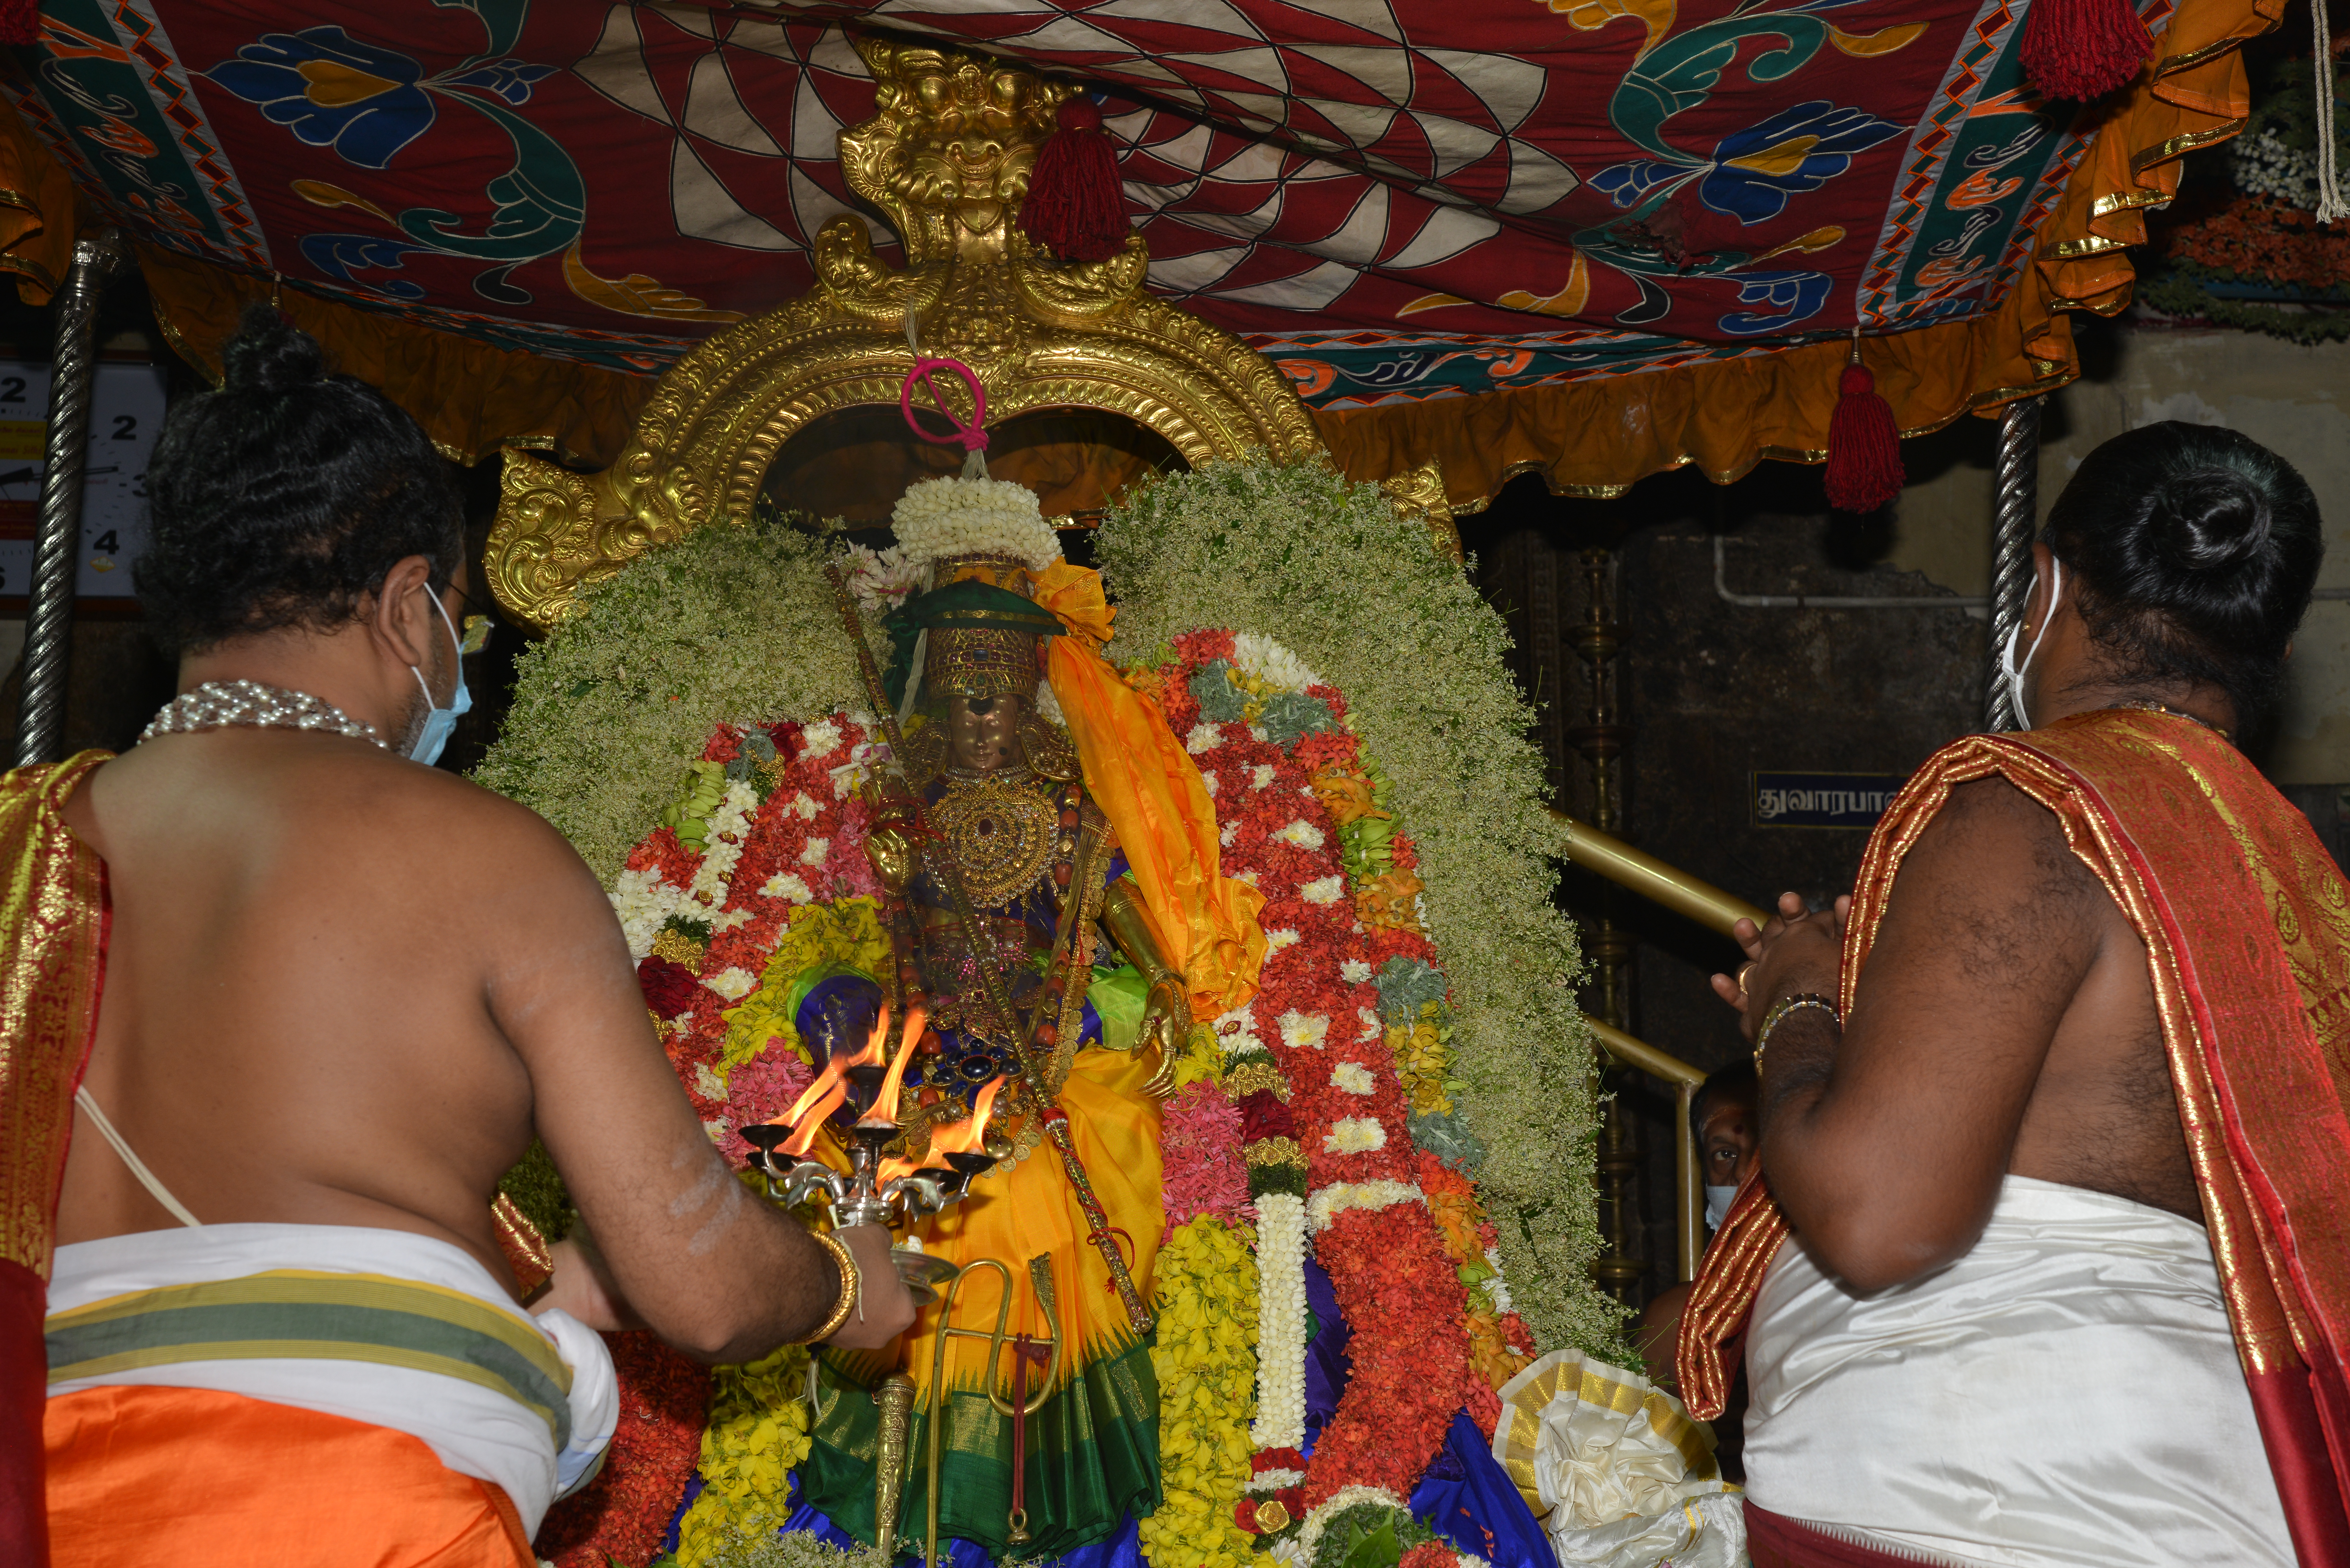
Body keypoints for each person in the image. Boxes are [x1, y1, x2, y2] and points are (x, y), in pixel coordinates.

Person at [1, 307, 914, 1567]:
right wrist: (846, 1284)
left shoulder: (21, 844)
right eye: (461, 626)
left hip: (47, 1497)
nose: (460, 669)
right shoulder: (477, 855)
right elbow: (699, 1285)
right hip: (361, 1504)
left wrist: (558, 1288)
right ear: (404, 604)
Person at [1678, 422, 2350, 1568]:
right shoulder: (2296, 872)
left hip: (1978, 1494)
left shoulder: (2033, 809)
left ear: (2039, 589)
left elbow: (1879, 1218)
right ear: (2277, 655)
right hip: (2204, 1492)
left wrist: (1795, 1007)